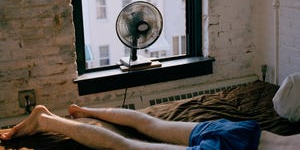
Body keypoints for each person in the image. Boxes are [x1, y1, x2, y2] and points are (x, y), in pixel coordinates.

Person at [0, 104, 299, 150]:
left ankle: (82, 110)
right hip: (234, 145)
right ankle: (46, 120)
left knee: (150, 123)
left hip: (245, 131)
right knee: (126, 146)